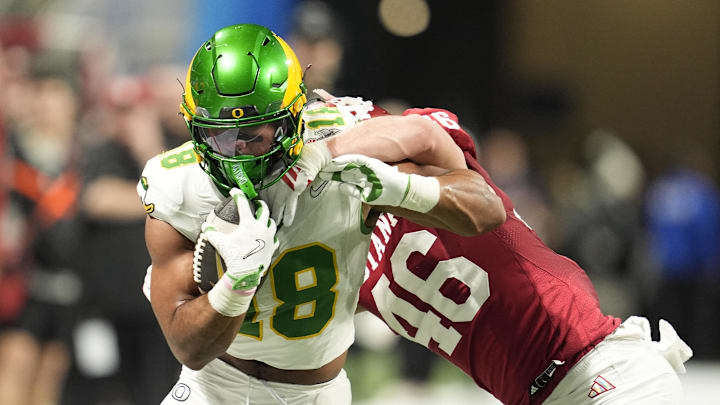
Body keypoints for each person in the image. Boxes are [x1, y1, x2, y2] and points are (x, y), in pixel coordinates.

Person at [140, 23, 503, 404]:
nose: (237, 152)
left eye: (254, 133)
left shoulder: (342, 145)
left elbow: (485, 208)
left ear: (296, 117)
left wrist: (398, 187)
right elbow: (188, 348)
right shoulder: (178, 183)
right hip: (214, 386)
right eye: (220, 135)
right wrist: (237, 284)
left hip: (315, 394)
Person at [357, 108, 693, 404]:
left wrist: (328, 151)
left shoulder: (443, 171)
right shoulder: (344, 251)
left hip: (600, 374)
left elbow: (423, 132)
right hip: (545, 392)